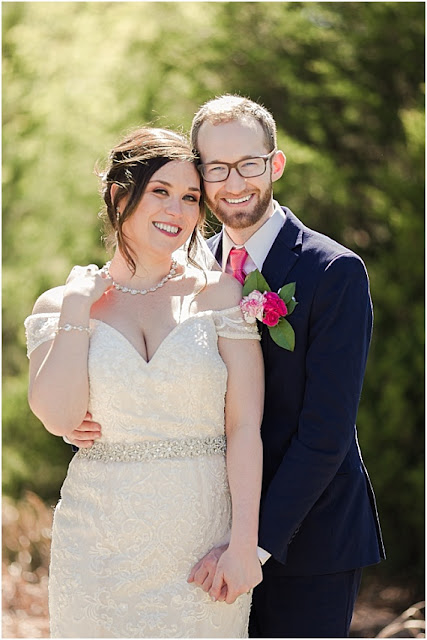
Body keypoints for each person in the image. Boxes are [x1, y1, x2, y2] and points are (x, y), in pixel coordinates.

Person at [24, 126, 264, 638]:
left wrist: (244, 546)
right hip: (98, 543)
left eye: (190, 198)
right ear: (119, 194)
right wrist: (75, 309)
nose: (176, 211)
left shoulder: (222, 296)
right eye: (160, 191)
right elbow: (61, 417)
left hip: (202, 540)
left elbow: (245, 427)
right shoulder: (62, 303)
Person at [186, 94, 386, 638]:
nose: (233, 184)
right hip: (200, 535)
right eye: (216, 169)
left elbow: (326, 434)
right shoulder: (189, 267)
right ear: (198, 176)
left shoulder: (334, 271)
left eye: (248, 164)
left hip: (307, 541)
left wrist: (255, 545)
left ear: (274, 164)